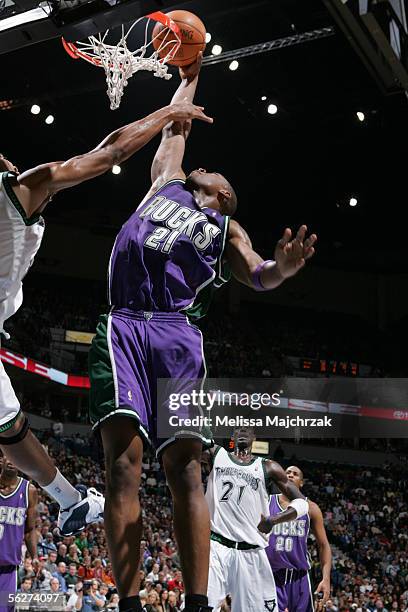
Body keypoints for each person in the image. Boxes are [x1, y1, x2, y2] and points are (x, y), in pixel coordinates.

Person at [88, 52, 316, 612]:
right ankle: (130, 602)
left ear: (224, 193)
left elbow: (259, 272)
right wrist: (190, 68)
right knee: (122, 465)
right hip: (122, 325)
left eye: (216, 173)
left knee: (186, 469)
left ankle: (195, 603)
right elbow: (178, 120)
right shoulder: (164, 183)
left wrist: (282, 269)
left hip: (176, 335)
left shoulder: (225, 225)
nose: (205, 166)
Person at [0, 97, 211, 539]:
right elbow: (110, 154)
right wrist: (166, 116)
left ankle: (69, 500)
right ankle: (70, 500)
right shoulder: (20, 189)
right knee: (10, 432)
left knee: (12, 430)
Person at [203, 428, 309, 612]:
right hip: (216, 546)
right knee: (203, 604)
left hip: (251, 552)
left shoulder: (268, 466)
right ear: (232, 438)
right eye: (238, 430)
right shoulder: (215, 453)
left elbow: (302, 503)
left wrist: (274, 520)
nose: (242, 431)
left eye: (247, 430)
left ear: (254, 438)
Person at [265, 465, 332, 612]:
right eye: (287, 472)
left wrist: (326, 579)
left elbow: (324, 545)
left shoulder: (311, 508)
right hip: (271, 575)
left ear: (301, 482)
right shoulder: (266, 502)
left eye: (295, 474)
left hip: (299, 577)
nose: (290, 475)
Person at [0, 452, 37, 612]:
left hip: (8, 569)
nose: (12, 461)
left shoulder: (29, 490)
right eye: (9, 455)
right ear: (1, 459)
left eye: (16, 457)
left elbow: (29, 530)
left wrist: (34, 556)